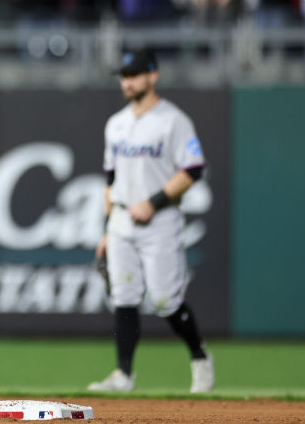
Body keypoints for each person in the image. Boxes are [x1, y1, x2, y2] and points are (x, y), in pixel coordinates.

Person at [89, 48, 214, 394]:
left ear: (153, 75)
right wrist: (105, 229)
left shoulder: (173, 120)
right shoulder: (115, 124)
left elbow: (193, 169)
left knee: (164, 300)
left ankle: (200, 356)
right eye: (124, 75)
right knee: (124, 296)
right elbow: (110, 181)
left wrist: (154, 202)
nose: (127, 81)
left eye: (134, 74)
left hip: (159, 220)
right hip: (120, 221)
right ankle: (123, 374)